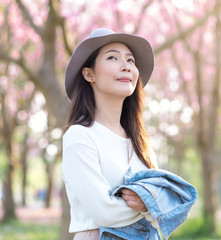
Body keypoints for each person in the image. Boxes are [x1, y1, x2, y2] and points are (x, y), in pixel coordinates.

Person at [62, 28, 158, 240]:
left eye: (131, 61)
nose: (126, 66)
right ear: (89, 74)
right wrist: (152, 204)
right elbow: (102, 211)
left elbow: (166, 209)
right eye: (113, 57)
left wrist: (153, 204)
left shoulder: (142, 142)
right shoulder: (79, 137)